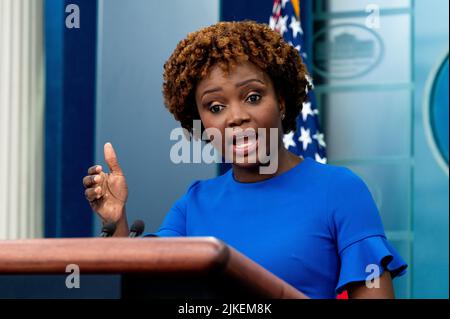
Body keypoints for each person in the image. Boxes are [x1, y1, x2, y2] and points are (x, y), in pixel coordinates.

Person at [82, 21, 407, 299]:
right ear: (202, 123)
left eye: (253, 97)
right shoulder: (193, 204)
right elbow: (146, 283)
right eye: (215, 107)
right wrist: (116, 222)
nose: (235, 117)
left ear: (281, 101)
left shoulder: (339, 190)